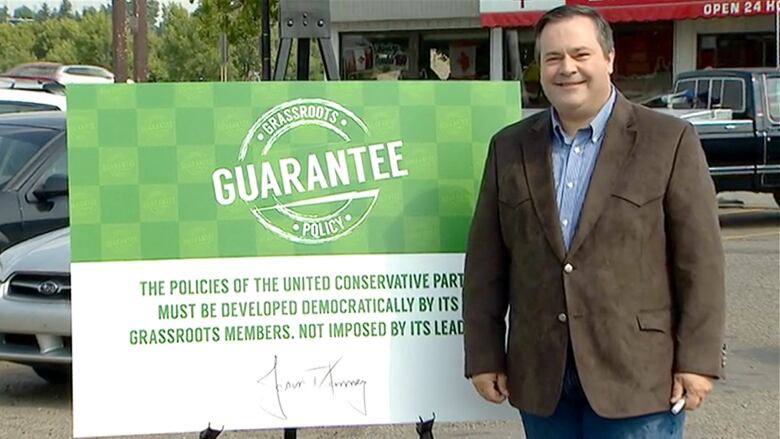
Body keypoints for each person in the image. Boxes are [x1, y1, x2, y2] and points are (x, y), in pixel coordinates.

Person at [462, 5, 725, 438]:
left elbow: (700, 263)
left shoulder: (669, 141)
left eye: (581, 55)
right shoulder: (509, 148)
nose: (567, 69)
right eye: (553, 58)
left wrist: (698, 360)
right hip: (542, 379)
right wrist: (485, 353)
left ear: (609, 59)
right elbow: (486, 265)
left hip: (637, 379)